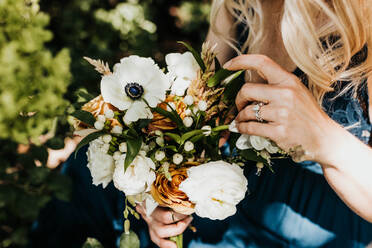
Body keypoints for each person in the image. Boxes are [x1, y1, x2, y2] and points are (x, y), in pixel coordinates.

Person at [137, 0, 372, 247]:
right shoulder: (237, 6)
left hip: (331, 230)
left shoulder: (363, 22)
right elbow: (198, 121)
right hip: (231, 218)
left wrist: (323, 138)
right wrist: (164, 199)